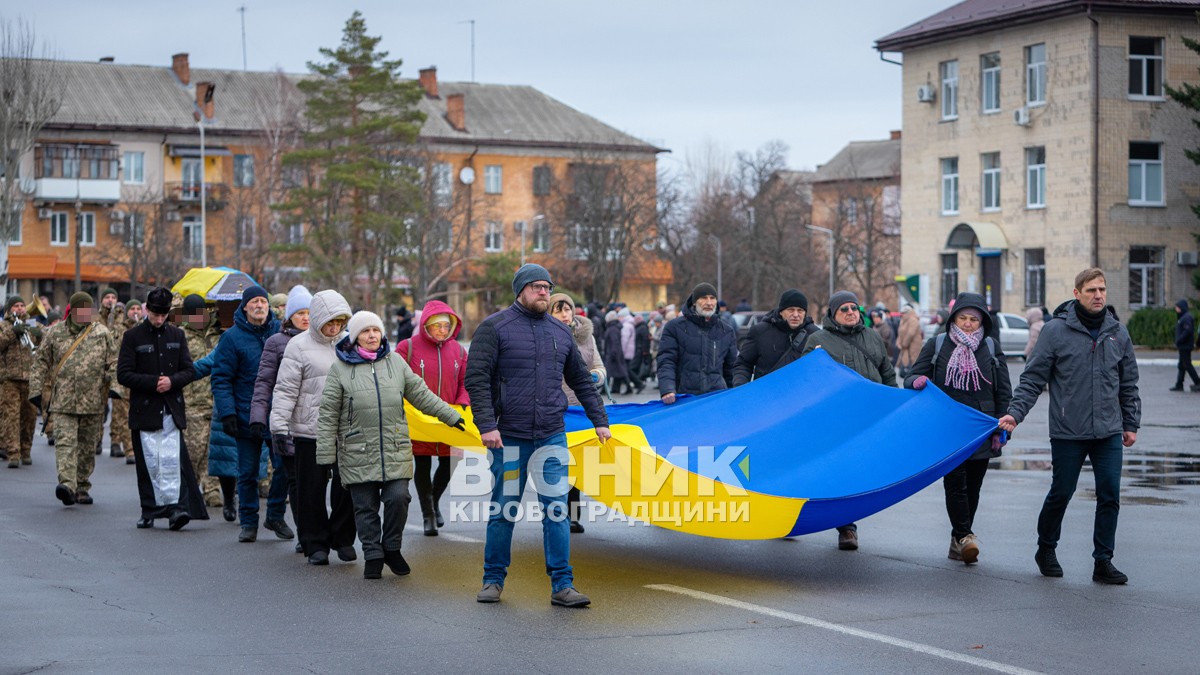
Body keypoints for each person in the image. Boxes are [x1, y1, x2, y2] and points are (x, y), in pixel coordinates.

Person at [467, 264, 611, 607]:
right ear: (520, 291)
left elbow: (580, 380)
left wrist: (599, 420)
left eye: (547, 287)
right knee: (504, 510)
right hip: (509, 436)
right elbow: (476, 380)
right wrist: (487, 425)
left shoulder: (561, 334)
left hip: (551, 434)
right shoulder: (494, 328)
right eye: (536, 287)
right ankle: (493, 580)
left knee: (557, 510)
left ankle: (562, 585)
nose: (543, 292)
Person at [999, 268, 1141, 585]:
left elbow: (1129, 383)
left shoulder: (1117, 332)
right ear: (1077, 293)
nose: (1098, 295)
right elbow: (1033, 379)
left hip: (1108, 432)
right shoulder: (1055, 332)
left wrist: (1130, 423)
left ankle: (1103, 561)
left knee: (1109, 495)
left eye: (1102, 289)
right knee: (1061, 492)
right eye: (1091, 290)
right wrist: (1015, 414)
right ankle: (1046, 548)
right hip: (1068, 430)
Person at [318, 311, 465, 579]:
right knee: (365, 507)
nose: (372, 335)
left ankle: (392, 547)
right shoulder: (340, 369)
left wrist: (452, 416)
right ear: (355, 337)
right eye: (365, 331)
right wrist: (326, 456)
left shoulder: (395, 362)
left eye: (375, 330)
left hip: (395, 447)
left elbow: (421, 394)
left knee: (399, 498)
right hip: (357, 450)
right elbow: (328, 414)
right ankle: (373, 554)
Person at [905, 293, 1011, 564]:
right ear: (954, 319)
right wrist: (918, 380)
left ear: (982, 322)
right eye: (963, 318)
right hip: (948, 426)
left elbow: (1004, 390)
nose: (967, 324)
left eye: (973, 319)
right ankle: (965, 536)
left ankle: (957, 539)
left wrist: (1004, 423)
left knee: (973, 487)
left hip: (981, 427)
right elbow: (912, 375)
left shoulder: (990, 346)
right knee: (956, 484)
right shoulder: (938, 343)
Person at [800, 290, 896, 551]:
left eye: (854, 308)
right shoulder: (818, 340)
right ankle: (847, 528)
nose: (851, 312)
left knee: (863, 471)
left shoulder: (872, 336)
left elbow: (887, 372)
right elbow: (806, 380)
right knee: (842, 471)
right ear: (833, 314)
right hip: (837, 419)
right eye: (844, 309)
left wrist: (895, 404)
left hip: (870, 417)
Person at [270, 290, 355, 564]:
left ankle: (342, 538)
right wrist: (279, 427)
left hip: (344, 430)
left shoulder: (347, 343)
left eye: (340, 322)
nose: (334, 328)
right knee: (311, 489)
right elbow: (285, 389)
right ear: (318, 319)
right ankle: (314, 543)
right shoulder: (298, 346)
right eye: (330, 322)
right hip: (309, 429)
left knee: (347, 486)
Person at [117, 287, 207, 530]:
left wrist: (171, 381)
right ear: (147, 310)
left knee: (172, 461)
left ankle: (177, 509)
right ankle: (149, 510)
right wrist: (152, 383)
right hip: (145, 409)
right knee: (148, 463)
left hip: (170, 408)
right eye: (155, 315)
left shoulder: (177, 336)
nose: (159, 320)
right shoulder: (132, 337)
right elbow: (123, 374)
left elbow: (189, 370)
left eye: (163, 315)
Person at [210, 286, 289, 543]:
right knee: (247, 472)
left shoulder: (280, 334)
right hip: (244, 415)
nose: (259, 305)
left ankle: (275, 514)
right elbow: (221, 378)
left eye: (262, 301)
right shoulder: (231, 338)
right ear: (244, 307)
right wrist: (228, 413)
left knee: (284, 468)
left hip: (276, 414)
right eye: (254, 301)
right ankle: (249, 522)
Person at [29, 292, 120, 506]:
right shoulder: (55, 333)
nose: (85, 314)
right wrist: (35, 391)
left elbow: (114, 363)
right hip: (63, 402)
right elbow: (40, 362)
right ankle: (67, 485)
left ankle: (82, 486)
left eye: (89, 310)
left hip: (92, 402)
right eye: (81, 310)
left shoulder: (102, 333)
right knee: (65, 444)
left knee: (87, 448)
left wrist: (116, 388)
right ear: (73, 311)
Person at [397, 300, 469, 538]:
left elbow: (464, 382)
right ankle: (428, 514)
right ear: (426, 325)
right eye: (437, 325)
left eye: (447, 326)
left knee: (451, 463)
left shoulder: (458, 351)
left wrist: (462, 404)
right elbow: (396, 379)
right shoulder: (407, 347)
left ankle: (434, 501)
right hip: (420, 419)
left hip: (451, 418)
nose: (442, 330)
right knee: (424, 464)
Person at [249, 285, 313, 547]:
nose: (306, 318)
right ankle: (305, 535)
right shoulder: (276, 342)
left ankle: (278, 516)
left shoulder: (324, 340)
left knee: (306, 480)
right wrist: (258, 417)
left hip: (315, 420)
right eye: (300, 313)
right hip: (285, 419)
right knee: (292, 477)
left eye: (310, 312)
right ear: (289, 316)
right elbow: (264, 382)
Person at [550, 293, 606, 534]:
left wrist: (597, 376)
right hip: (555, 408)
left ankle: (573, 515)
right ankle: (556, 512)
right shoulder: (545, 335)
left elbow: (599, 366)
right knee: (558, 462)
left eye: (568, 309)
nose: (565, 315)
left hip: (580, 408)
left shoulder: (586, 337)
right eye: (558, 310)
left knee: (576, 463)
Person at [657, 283, 738, 404]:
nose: (709, 303)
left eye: (712, 298)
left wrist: (735, 396)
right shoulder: (674, 327)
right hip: (684, 399)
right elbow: (666, 361)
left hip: (716, 399)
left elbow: (731, 369)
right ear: (694, 302)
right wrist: (667, 389)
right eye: (704, 298)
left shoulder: (726, 331)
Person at [179, 295, 223, 508]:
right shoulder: (181, 337)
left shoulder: (218, 336)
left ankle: (212, 490)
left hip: (216, 401)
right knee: (193, 450)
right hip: (191, 402)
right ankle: (190, 490)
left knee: (212, 451)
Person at [733, 289, 817, 386]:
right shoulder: (760, 332)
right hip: (766, 395)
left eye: (800, 310)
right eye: (791, 310)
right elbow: (743, 364)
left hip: (801, 396)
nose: (795, 315)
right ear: (781, 312)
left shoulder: (814, 335)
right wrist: (740, 386)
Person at [1, 296, 41, 468]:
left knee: (29, 417)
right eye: (15, 306)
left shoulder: (32, 324)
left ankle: (26, 450)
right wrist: (12, 332)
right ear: (9, 310)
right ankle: (13, 453)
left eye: (22, 305)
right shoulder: (3, 326)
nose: (19, 308)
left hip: (30, 378)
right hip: (9, 379)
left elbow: (44, 343)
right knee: (11, 417)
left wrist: (40, 336)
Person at [1170, 299, 1199, 392]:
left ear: (1181, 308)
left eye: (1177, 307)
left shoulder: (1186, 318)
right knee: (1182, 365)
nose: (1176, 309)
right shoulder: (1183, 317)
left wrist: (1179, 340)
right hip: (1183, 346)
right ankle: (1179, 384)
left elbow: (1188, 331)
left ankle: (1198, 382)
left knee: (1187, 365)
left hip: (1185, 346)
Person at [602, 311, 632, 395]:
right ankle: (616, 388)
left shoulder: (612, 329)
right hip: (615, 352)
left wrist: (613, 353)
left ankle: (605, 389)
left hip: (613, 353)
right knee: (620, 371)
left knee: (612, 371)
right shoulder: (614, 327)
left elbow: (614, 342)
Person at [896, 305, 922, 377]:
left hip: (913, 346)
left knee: (913, 361)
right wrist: (898, 342)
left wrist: (904, 343)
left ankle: (913, 376)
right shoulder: (903, 320)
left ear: (908, 313)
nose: (902, 315)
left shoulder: (913, 319)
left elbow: (911, 333)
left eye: (903, 313)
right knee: (905, 362)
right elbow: (900, 332)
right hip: (905, 346)